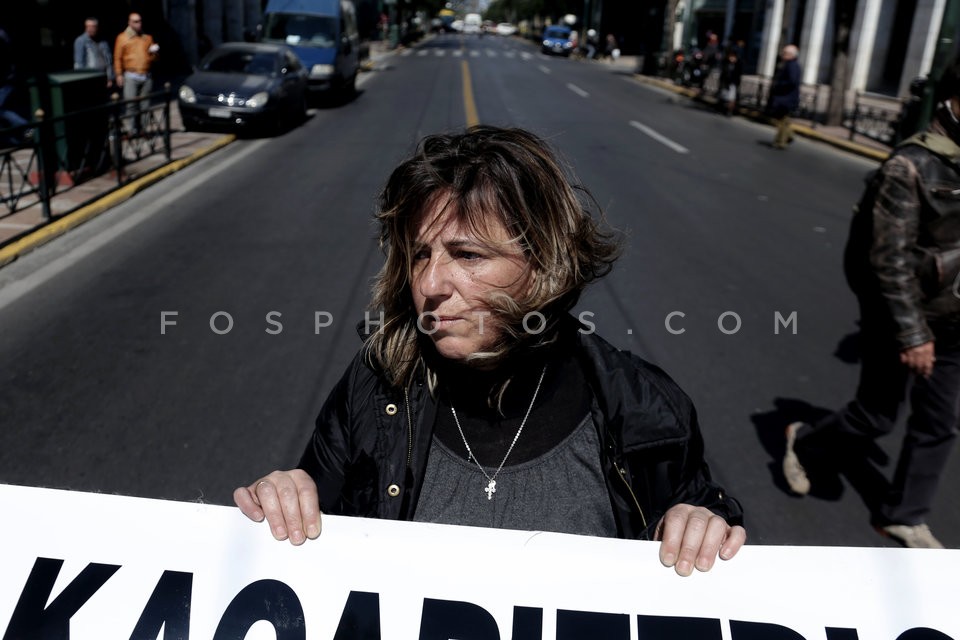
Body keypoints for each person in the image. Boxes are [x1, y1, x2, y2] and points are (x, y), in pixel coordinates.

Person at [234, 126, 746, 576]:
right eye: (420, 255)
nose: (431, 283)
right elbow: (307, 540)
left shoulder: (645, 409)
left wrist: (702, 523)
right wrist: (283, 497)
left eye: (468, 255)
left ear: (545, 259)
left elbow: (703, 539)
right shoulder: (377, 383)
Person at [782, 63, 960, 549]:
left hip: (954, 319)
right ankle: (805, 440)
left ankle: (904, 514)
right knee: (876, 416)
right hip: (904, 319)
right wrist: (913, 333)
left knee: (939, 423)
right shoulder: (909, 167)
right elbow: (890, 260)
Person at [114, 12, 159, 132]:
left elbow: (153, 58)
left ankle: (144, 129)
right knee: (131, 104)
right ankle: (132, 129)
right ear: (129, 23)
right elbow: (118, 57)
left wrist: (154, 52)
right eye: (135, 21)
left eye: (140, 21)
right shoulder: (123, 38)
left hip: (145, 75)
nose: (139, 24)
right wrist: (118, 74)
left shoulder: (147, 38)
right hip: (131, 75)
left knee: (145, 104)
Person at [768, 44, 800, 149]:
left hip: (786, 98)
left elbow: (792, 81)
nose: (782, 55)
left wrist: (779, 85)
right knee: (783, 120)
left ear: (791, 55)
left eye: (785, 53)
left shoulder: (792, 66)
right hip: (785, 97)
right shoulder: (789, 64)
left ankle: (781, 141)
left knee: (782, 120)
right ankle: (787, 137)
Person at [74, 17, 115, 88]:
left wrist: (110, 78)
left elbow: (109, 60)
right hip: (89, 78)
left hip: (104, 76)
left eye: (92, 26)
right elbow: (79, 63)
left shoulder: (103, 41)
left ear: (97, 27)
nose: (90, 29)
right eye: (87, 26)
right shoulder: (80, 41)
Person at [717, 46, 743, 116]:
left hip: (732, 83)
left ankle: (729, 111)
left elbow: (738, 75)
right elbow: (723, 73)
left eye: (733, 57)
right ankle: (722, 108)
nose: (732, 58)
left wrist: (736, 83)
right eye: (731, 56)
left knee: (732, 98)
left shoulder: (738, 65)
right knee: (723, 96)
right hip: (725, 83)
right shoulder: (726, 63)